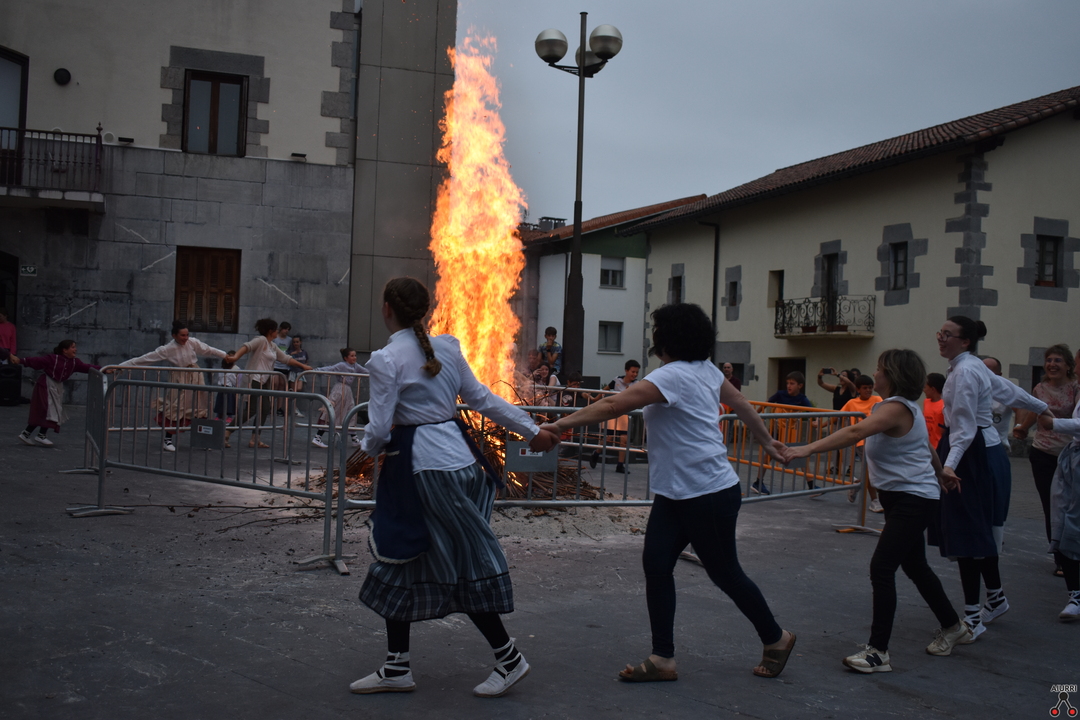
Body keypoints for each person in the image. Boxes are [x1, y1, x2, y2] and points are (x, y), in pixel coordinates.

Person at [540, 303, 795, 682]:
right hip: (675, 493)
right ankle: (663, 658)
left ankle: (776, 637)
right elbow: (740, 403)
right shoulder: (705, 370)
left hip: (707, 492)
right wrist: (766, 441)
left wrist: (559, 425)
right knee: (657, 564)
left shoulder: (672, 376)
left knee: (725, 573)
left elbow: (614, 403)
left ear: (667, 339)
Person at [353, 277, 559, 698]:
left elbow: (379, 428)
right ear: (424, 310)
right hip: (461, 460)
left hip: (423, 470)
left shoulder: (386, 359)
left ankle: (509, 658)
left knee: (454, 560)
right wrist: (532, 430)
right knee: (404, 557)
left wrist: (366, 447)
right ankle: (397, 666)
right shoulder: (447, 347)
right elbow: (483, 399)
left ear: (387, 308)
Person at [781, 349, 973, 671]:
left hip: (914, 499)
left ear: (893, 375)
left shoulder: (896, 408)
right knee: (915, 566)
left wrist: (807, 449)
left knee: (882, 567)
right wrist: (941, 472)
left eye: (880, 368)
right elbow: (926, 446)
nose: (875, 373)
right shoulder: (900, 407)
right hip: (902, 497)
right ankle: (954, 627)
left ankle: (878, 652)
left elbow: (855, 432)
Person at [933, 316, 1050, 642]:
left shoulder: (967, 370)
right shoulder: (968, 366)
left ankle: (973, 617)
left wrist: (948, 466)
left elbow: (965, 428)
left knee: (970, 534)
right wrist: (1042, 407)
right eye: (940, 332)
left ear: (965, 341)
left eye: (947, 334)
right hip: (977, 451)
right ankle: (994, 598)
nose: (940, 338)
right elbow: (1007, 389)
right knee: (978, 532)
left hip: (973, 454)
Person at [1013, 344, 1080, 578]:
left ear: (1069, 365)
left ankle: (1072, 552)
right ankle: (1060, 558)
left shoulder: (1075, 388)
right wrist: (1023, 427)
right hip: (1043, 452)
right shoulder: (1040, 388)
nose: (1052, 364)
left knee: (1071, 506)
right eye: (1049, 360)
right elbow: (1034, 411)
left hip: (1068, 455)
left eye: (1057, 360)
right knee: (1051, 506)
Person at [119, 320, 230, 452]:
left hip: (195, 376)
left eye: (187, 335)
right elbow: (145, 358)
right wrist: (120, 367)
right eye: (182, 335)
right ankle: (167, 440)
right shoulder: (167, 349)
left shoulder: (192, 342)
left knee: (199, 407)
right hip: (179, 378)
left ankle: (203, 439)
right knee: (176, 407)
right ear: (174, 335)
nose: (186, 338)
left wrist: (226, 356)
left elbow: (208, 349)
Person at [225, 319, 312, 449]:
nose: (277, 331)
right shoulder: (261, 340)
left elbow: (286, 359)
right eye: (276, 329)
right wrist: (235, 357)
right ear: (270, 331)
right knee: (251, 410)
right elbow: (247, 346)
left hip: (264, 382)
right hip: (254, 380)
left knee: (265, 409)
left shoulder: (272, 346)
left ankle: (255, 439)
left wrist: (303, 366)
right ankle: (226, 432)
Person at [1037, 393, 1080, 620]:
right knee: (1064, 523)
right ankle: (1075, 594)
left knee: (1072, 524)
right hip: (1072, 459)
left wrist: (1054, 423)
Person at [15, 340, 105, 446]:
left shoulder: (74, 362)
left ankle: (27, 433)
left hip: (56, 386)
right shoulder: (53, 359)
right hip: (45, 385)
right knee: (47, 409)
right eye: (72, 347)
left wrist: (104, 369)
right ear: (65, 350)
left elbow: (87, 367)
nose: (75, 349)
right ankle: (40, 435)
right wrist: (21, 361)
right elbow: (37, 361)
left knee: (50, 410)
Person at [753, 371, 813, 495]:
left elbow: (813, 411)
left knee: (800, 454)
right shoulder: (781, 394)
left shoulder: (802, 398)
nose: (789, 386)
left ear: (800, 386)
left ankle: (812, 485)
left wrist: (816, 420)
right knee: (768, 455)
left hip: (792, 432)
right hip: (778, 430)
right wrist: (755, 414)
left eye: (792, 383)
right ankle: (758, 482)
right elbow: (766, 403)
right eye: (787, 383)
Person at [841, 375, 886, 512]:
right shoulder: (852, 403)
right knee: (870, 469)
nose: (868, 390)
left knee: (874, 470)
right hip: (862, 440)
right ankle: (874, 500)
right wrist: (820, 423)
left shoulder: (878, 400)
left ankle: (857, 484)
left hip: (877, 439)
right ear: (858, 389)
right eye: (865, 388)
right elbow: (837, 416)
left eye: (870, 388)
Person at [588, 359, 641, 474]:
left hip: (625, 413)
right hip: (613, 412)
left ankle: (620, 465)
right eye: (633, 372)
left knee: (624, 439)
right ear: (626, 370)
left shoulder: (636, 384)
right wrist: (595, 399)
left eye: (636, 372)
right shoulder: (617, 380)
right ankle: (596, 453)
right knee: (609, 438)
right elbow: (605, 390)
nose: (635, 374)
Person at [311, 348, 366, 449]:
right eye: (352, 356)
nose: (354, 357)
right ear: (346, 358)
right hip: (339, 389)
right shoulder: (341, 365)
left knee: (350, 412)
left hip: (347, 391)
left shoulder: (356, 366)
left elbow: (366, 371)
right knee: (332, 412)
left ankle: (354, 439)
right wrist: (316, 370)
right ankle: (317, 437)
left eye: (355, 355)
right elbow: (330, 369)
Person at [923, 373, 946, 451]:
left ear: (933, 389)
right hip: (927, 446)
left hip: (939, 447)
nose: (924, 390)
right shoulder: (926, 402)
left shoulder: (944, 405)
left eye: (925, 387)